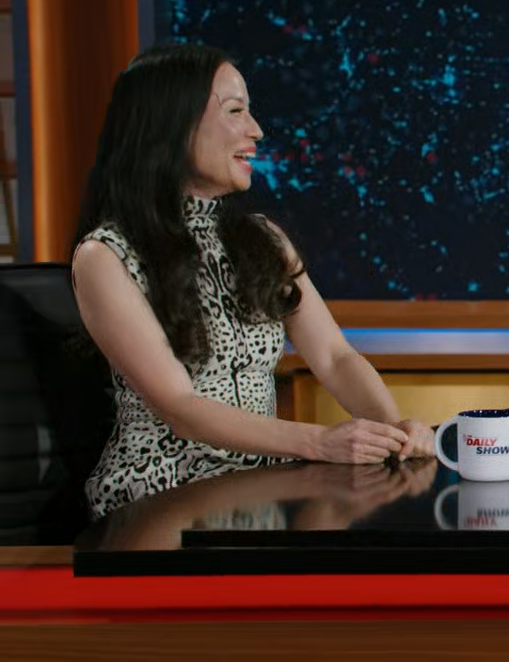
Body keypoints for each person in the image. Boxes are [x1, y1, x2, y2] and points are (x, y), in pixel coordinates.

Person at [71, 42, 437, 518]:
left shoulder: (265, 239)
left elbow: (335, 356)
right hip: (159, 493)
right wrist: (319, 441)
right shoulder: (105, 255)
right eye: (235, 111)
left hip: (260, 486)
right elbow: (180, 406)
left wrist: (394, 433)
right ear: (172, 124)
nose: (256, 130)